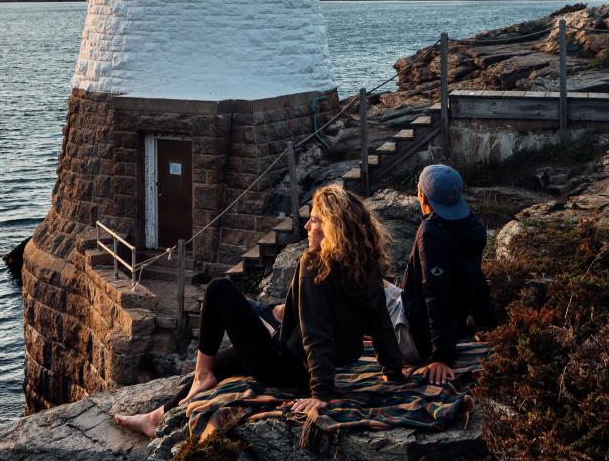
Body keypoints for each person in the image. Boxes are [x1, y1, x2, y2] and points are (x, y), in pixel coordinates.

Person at [113, 183, 403, 440]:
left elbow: (318, 334)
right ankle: (158, 416)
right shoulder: (365, 266)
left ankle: (200, 376)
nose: (306, 227)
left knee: (219, 289)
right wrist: (393, 371)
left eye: (313, 221)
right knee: (225, 360)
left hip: (286, 366)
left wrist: (321, 394)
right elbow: (381, 325)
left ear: (332, 228)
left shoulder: (314, 265)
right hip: (302, 358)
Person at [395, 163, 497, 385]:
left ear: (422, 196)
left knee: (370, 291)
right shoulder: (473, 226)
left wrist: (441, 357)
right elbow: (476, 280)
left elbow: (436, 295)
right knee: (386, 289)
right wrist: (490, 325)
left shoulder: (430, 234)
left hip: (419, 340)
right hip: (450, 328)